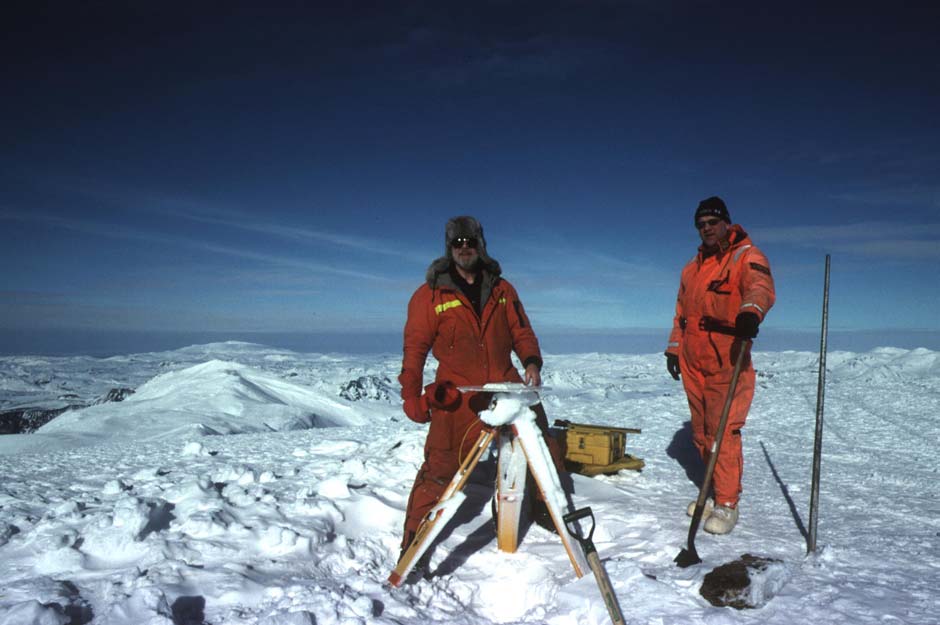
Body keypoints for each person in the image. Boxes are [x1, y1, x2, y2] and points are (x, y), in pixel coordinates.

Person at [397, 215, 563, 557]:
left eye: (470, 242)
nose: (464, 248)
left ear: (480, 245)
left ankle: (546, 508)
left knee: (541, 447)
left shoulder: (502, 289)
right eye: (457, 243)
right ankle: (415, 541)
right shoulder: (430, 294)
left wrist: (531, 361)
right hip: (460, 394)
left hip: (506, 384)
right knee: (441, 466)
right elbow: (414, 350)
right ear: (449, 248)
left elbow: (521, 331)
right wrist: (411, 395)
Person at [665, 196, 776, 534]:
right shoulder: (692, 268)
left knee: (723, 431)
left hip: (728, 357)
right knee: (701, 432)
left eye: (712, 222)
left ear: (726, 222)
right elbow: (682, 313)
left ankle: (728, 503)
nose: (706, 229)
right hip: (694, 360)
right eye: (701, 225)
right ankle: (713, 492)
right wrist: (674, 349)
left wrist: (750, 312)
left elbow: (761, 287)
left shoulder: (746, 256)